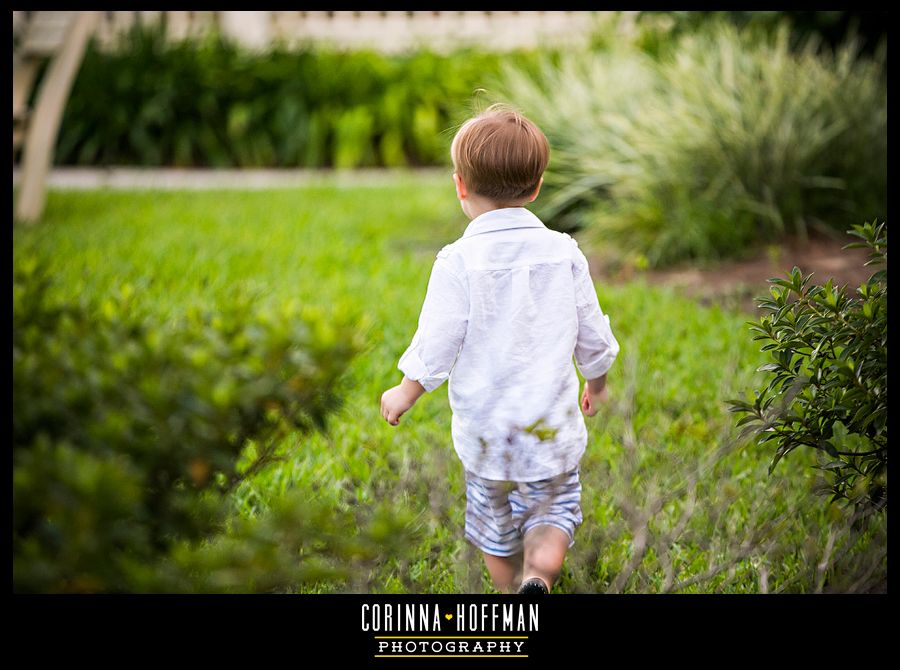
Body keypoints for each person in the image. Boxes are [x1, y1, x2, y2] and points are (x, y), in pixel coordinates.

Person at [380, 104, 619, 594]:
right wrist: (597, 382)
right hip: (550, 428)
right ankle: (540, 578)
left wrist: (406, 391)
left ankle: (512, 596)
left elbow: (438, 339)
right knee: (554, 511)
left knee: (495, 525)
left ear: (460, 186)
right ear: (536, 188)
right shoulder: (563, 252)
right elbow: (590, 331)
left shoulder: (457, 262)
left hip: (488, 434)